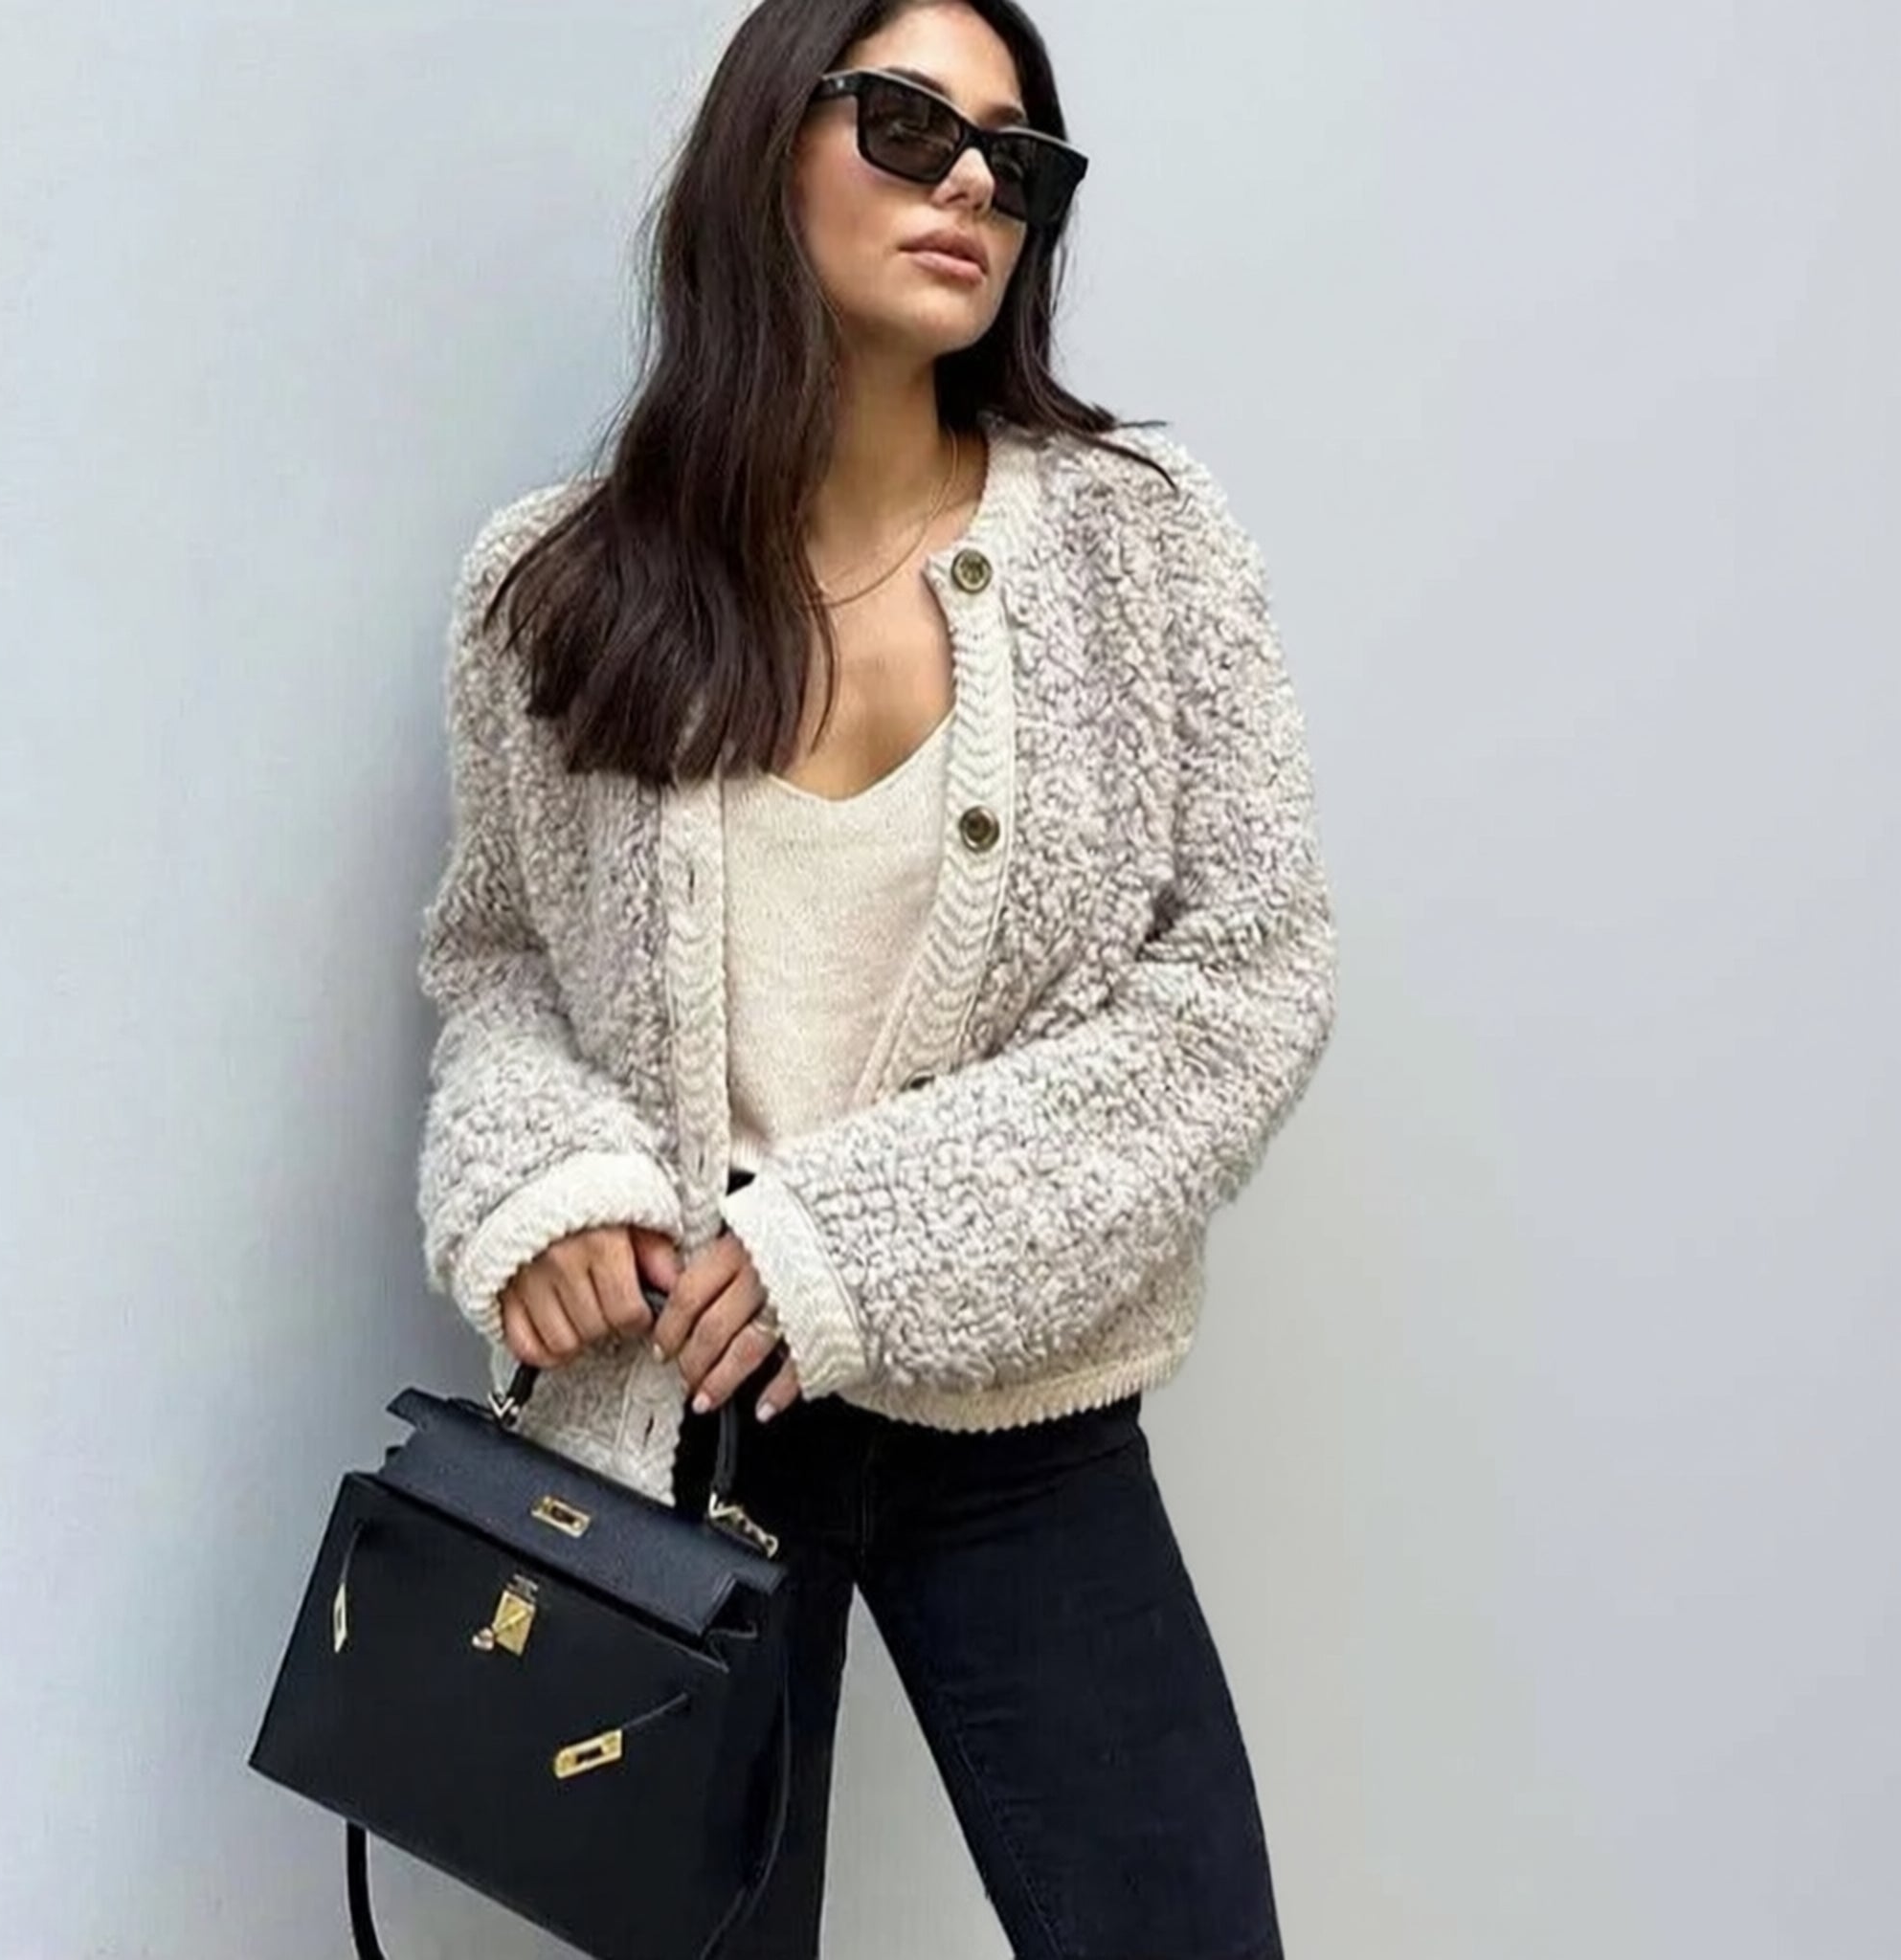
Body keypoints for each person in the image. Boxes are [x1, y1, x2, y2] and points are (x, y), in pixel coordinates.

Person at [414, 1, 1335, 1953]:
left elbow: (1249, 974)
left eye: (1020, 155)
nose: (975, 182)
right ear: (771, 142)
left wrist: (854, 1242)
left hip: (1019, 1421)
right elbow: (495, 955)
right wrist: (546, 1185)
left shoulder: (1140, 546)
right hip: (669, 1422)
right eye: (913, 125)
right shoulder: (554, 584)